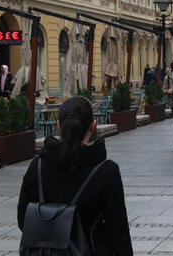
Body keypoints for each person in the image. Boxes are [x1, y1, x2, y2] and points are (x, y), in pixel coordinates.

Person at [17, 96, 133, 255]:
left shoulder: (38, 165)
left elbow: (23, 219)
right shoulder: (106, 171)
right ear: (92, 126)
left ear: (59, 125)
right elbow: (119, 232)